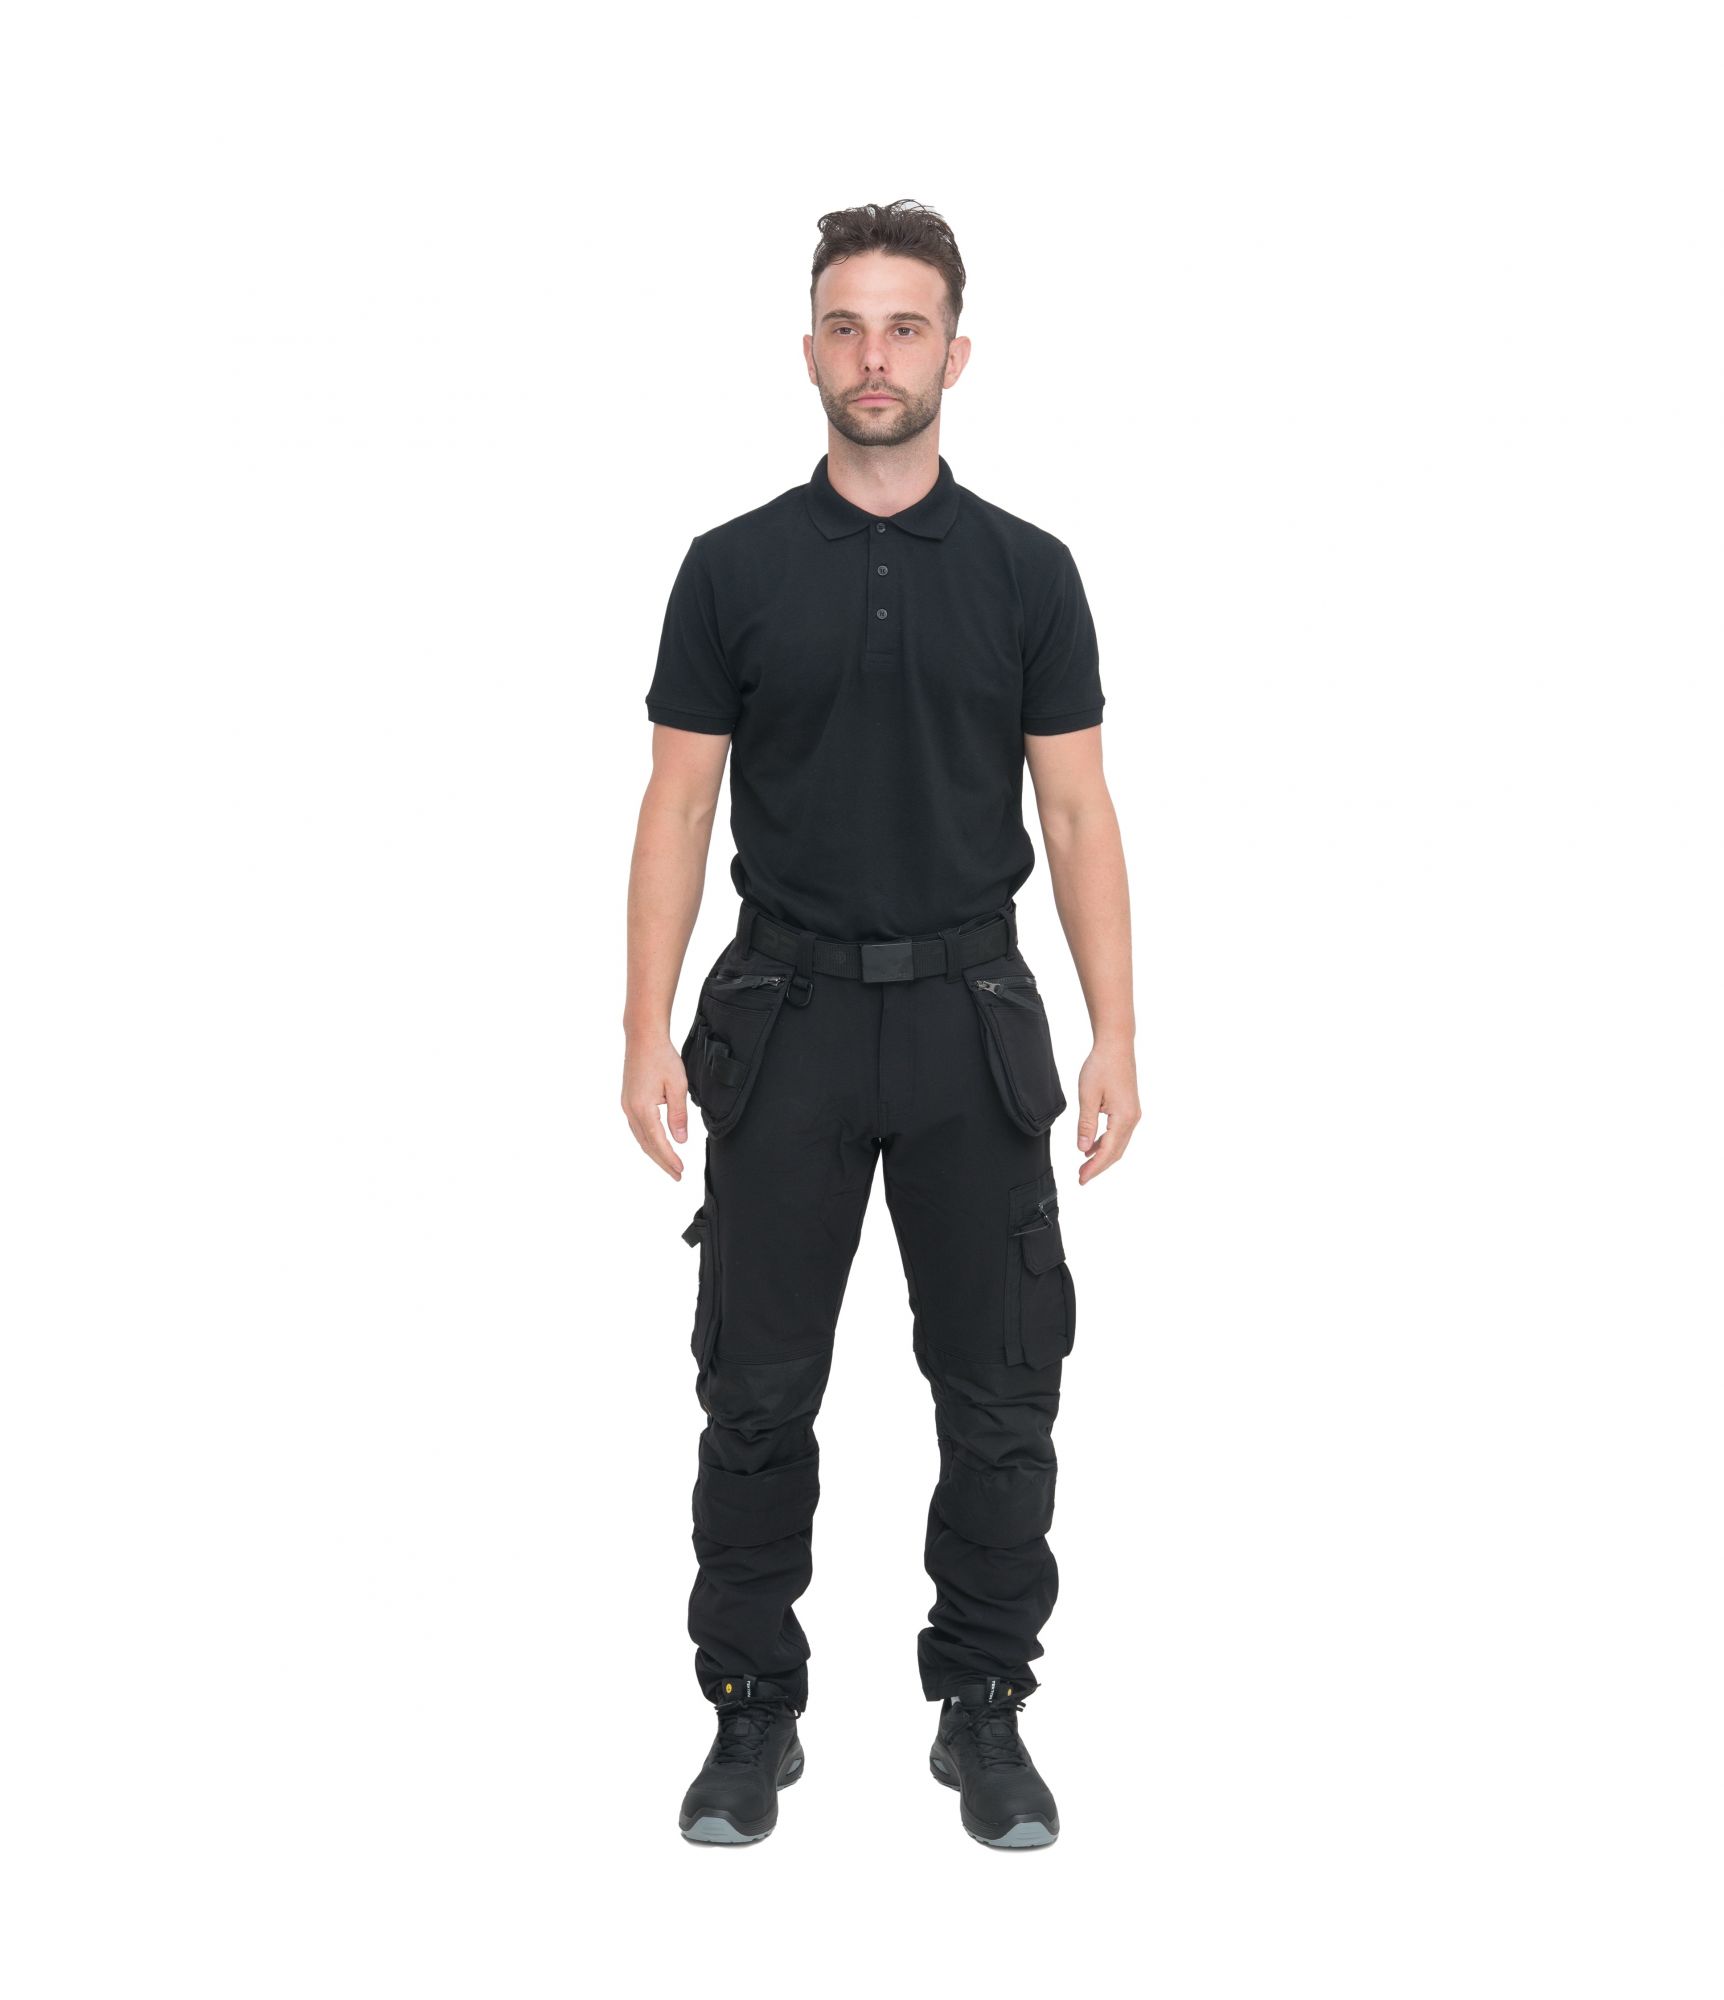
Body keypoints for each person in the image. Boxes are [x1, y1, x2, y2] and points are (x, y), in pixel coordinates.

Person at [622, 198, 1139, 1848]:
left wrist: (1117, 1032)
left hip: (972, 1026)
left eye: (905, 326)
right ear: (808, 350)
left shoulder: (1029, 574)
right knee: (755, 1391)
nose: (875, 355)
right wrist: (642, 1029)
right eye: (847, 325)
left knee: (1001, 1392)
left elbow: (1077, 813)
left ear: (955, 355)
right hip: (782, 1021)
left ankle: (983, 1704)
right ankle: (750, 1709)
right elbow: (676, 807)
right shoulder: (731, 569)